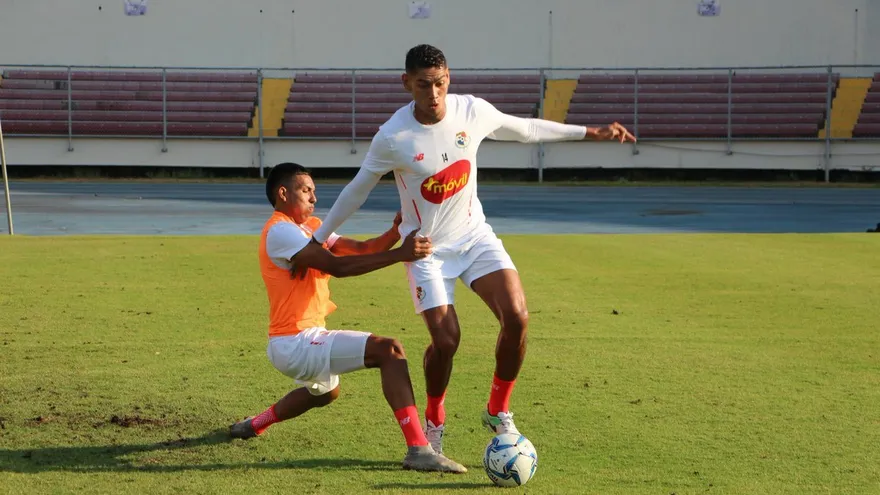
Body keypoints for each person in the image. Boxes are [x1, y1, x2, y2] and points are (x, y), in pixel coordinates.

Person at [308, 45, 637, 457]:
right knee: (447, 341)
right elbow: (357, 191)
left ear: (450, 78)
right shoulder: (393, 136)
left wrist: (592, 132)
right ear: (407, 83)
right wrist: (318, 239)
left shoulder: (472, 111)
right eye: (424, 84)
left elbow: (527, 129)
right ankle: (435, 420)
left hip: (474, 236)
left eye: (441, 82)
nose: (434, 93)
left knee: (517, 317)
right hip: (425, 251)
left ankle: (497, 409)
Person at [229, 162, 467, 474]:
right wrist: (400, 254)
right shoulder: (281, 231)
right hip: (294, 341)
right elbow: (338, 267)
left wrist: (395, 232)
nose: (314, 198)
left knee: (326, 392)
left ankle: (255, 424)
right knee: (389, 350)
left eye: (314, 191)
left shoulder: (311, 228)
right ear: (283, 193)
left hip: (301, 337)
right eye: (306, 191)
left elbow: (364, 248)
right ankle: (419, 449)